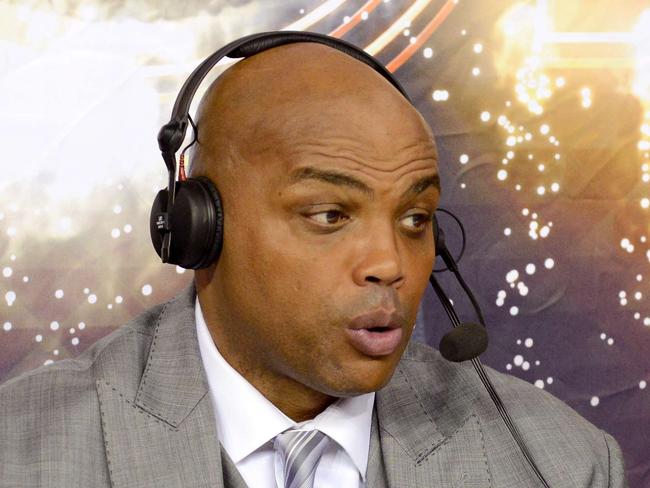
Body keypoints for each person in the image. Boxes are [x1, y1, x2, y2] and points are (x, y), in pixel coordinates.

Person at [0, 39, 627, 488]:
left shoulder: (564, 464)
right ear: (197, 228)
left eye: (415, 220)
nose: (391, 264)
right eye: (328, 216)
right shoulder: (20, 451)